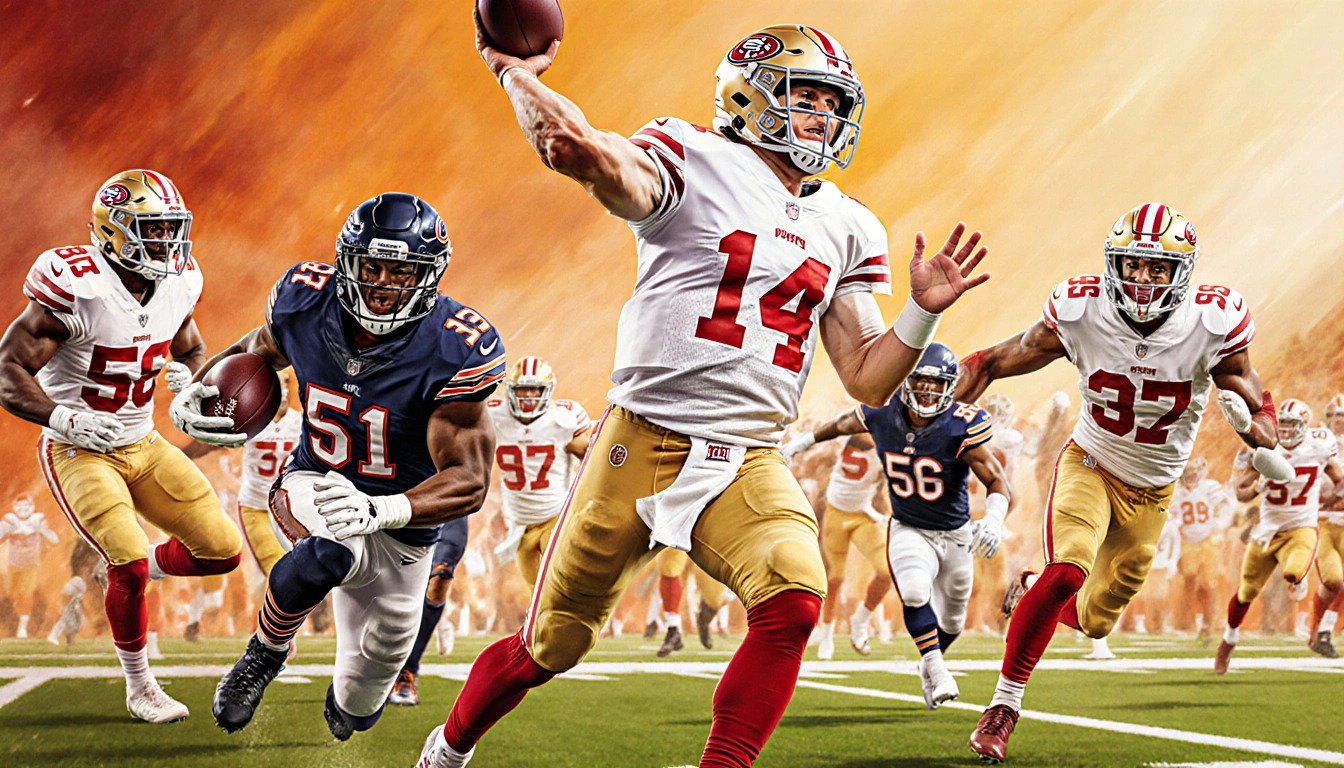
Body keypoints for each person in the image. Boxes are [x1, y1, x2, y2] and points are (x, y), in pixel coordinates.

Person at [416, 18, 991, 768]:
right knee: (549, 645)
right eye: (807, 97)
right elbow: (576, 150)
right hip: (640, 441)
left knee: (793, 597)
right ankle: (448, 750)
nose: (825, 117)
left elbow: (865, 375)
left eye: (832, 102)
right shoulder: (694, 156)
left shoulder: (850, 224)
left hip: (749, 456)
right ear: (750, 96)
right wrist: (513, 73)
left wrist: (922, 312)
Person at [957, 203, 1289, 763]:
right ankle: (1003, 708)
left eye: (1157, 269)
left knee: (1092, 620)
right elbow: (990, 361)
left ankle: (1030, 587)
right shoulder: (1083, 310)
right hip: (1090, 462)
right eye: (1132, 265)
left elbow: (1263, 411)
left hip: (1155, 490)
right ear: (1114, 263)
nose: (1142, 279)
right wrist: (937, 418)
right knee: (1069, 570)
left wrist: (1255, 432)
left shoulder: (1213, 322)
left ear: (1182, 273)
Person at [179, 192, 500, 741]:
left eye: (399, 271)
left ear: (429, 275)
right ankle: (264, 654)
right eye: (370, 266)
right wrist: (201, 387)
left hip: (405, 524)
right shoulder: (304, 301)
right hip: (316, 480)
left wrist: (383, 509)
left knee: (359, 706)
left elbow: (469, 481)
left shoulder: (456, 347)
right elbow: (255, 351)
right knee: (333, 550)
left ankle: (348, 698)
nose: (380, 284)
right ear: (346, 261)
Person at [0, 170, 242, 723]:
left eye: (171, 230)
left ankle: (133, 572)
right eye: (153, 231)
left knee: (221, 551)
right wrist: (64, 417)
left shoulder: (177, 281)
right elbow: (7, 369)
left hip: (143, 440)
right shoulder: (76, 285)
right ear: (113, 232)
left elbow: (190, 343)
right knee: (127, 564)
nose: (167, 244)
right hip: (79, 449)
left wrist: (191, 382)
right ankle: (140, 686)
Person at [784, 342, 1012, 708]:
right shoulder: (883, 413)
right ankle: (936, 667)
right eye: (920, 381)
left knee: (953, 617)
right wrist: (805, 441)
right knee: (913, 591)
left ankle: (929, 661)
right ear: (907, 381)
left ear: (950, 388)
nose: (927, 390)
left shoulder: (959, 426)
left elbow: (997, 480)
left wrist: (996, 520)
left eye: (936, 385)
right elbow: (845, 423)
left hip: (955, 533)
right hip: (908, 526)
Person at [1218, 398, 1342, 671]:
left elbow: (1339, 478)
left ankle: (1299, 580)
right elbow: (1241, 491)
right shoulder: (1264, 445)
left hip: (1302, 526)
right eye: (1283, 423)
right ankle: (1229, 638)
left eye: (1292, 424)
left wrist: (1328, 500)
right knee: (1246, 593)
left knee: (1295, 571)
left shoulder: (1319, 445)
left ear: (1305, 425)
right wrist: (1258, 487)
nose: (1285, 430)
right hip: (1267, 531)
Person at [783, 427, 886, 660]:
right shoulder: (851, 436)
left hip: (862, 514)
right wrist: (800, 445)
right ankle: (827, 634)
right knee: (835, 577)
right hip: (836, 514)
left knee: (887, 570)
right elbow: (832, 436)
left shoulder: (893, 444)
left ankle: (860, 620)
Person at [1169, 454, 1232, 638]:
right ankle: (1186, 621)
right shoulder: (1176, 491)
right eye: (1187, 471)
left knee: (1207, 584)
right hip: (1188, 540)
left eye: (1193, 471)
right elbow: (1172, 515)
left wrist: (1218, 527)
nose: (1190, 475)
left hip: (1207, 540)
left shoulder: (1209, 487)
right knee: (1188, 580)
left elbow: (1225, 509)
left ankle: (1207, 623)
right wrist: (1174, 524)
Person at [1311, 394, 1344, 654]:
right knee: (1332, 581)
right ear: (1326, 419)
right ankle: (1316, 631)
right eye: (1335, 416)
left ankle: (1323, 632)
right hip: (1322, 522)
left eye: (1343, 417)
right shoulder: (1315, 445)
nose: (1339, 422)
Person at [0, 494, 60, 637]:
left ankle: (22, 627)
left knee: (26, 595)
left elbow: (54, 541)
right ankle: (12, 624)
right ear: (15, 507)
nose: (23, 509)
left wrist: (42, 531)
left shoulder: (37, 520)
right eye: (20, 506)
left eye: (26, 506)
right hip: (13, 566)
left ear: (32, 507)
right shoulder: (10, 520)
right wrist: (6, 531)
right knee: (11, 595)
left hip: (31, 566)